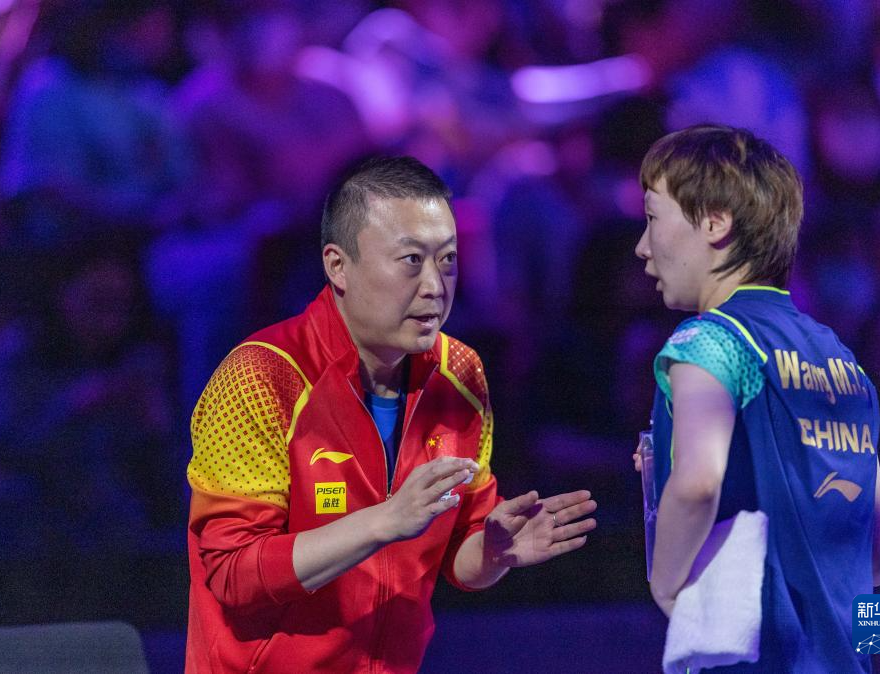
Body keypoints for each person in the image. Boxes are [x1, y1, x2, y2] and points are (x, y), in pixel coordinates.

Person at [185, 156, 597, 673]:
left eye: (448, 260)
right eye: (411, 260)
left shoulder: (461, 374)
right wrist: (383, 521)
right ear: (338, 266)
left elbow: (460, 554)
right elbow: (233, 573)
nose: (435, 285)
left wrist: (493, 553)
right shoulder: (260, 378)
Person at [633, 125, 880, 671]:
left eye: (653, 218)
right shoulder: (845, 362)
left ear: (715, 223)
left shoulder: (710, 342)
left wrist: (664, 584)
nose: (642, 247)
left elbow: (698, 485)